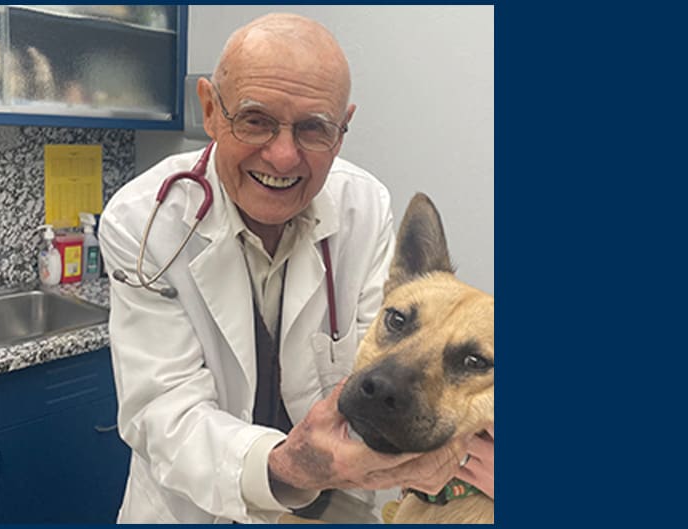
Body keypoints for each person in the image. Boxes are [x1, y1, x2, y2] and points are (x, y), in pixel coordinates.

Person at [98, 12, 493, 524]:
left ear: (343, 129)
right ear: (211, 111)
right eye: (255, 119)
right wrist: (290, 466)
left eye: (313, 128)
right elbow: (164, 414)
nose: (283, 157)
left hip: (335, 506)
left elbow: (386, 372)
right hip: (195, 505)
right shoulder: (142, 221)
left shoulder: (364, 206)